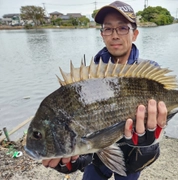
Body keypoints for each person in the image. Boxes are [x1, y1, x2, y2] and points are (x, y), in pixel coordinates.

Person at [42, 1, 169, 179]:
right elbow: (84, 132)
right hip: (99, 158)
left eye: (123, 28)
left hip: (133, 157)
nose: (115, 35)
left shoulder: (149, 73)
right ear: (102, 35)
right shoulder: (88, 79)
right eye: (108, 29)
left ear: (135, 34)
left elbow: (161, 122)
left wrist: (150, 143)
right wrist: (72, 160)